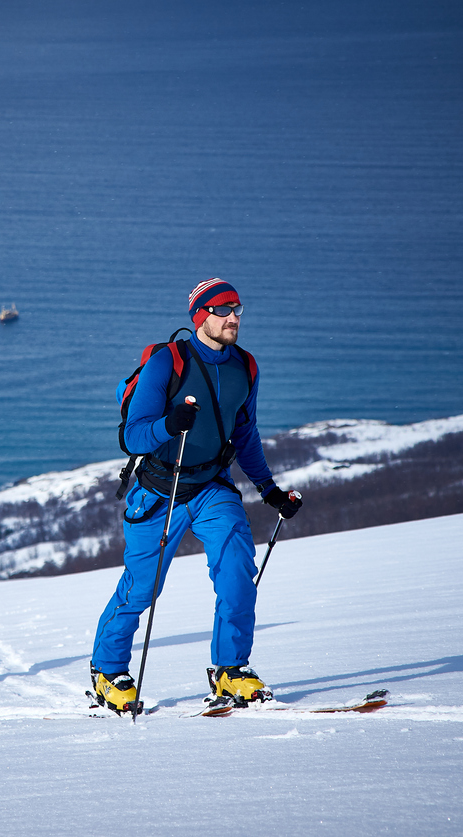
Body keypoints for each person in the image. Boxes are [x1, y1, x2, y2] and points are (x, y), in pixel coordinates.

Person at [91, 279, 303, 713]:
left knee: (237, 574)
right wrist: (171, 423)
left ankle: (231, 670)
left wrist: (269, 490)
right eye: (223, 310)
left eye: (237, 310)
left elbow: (245, 433)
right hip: (159, 491)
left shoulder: (245, 366)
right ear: (200, 316)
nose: (233, 318)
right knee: (140, 591)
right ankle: (107, 673)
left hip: (211, 488)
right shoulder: (167, 364)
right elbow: (132, 437)